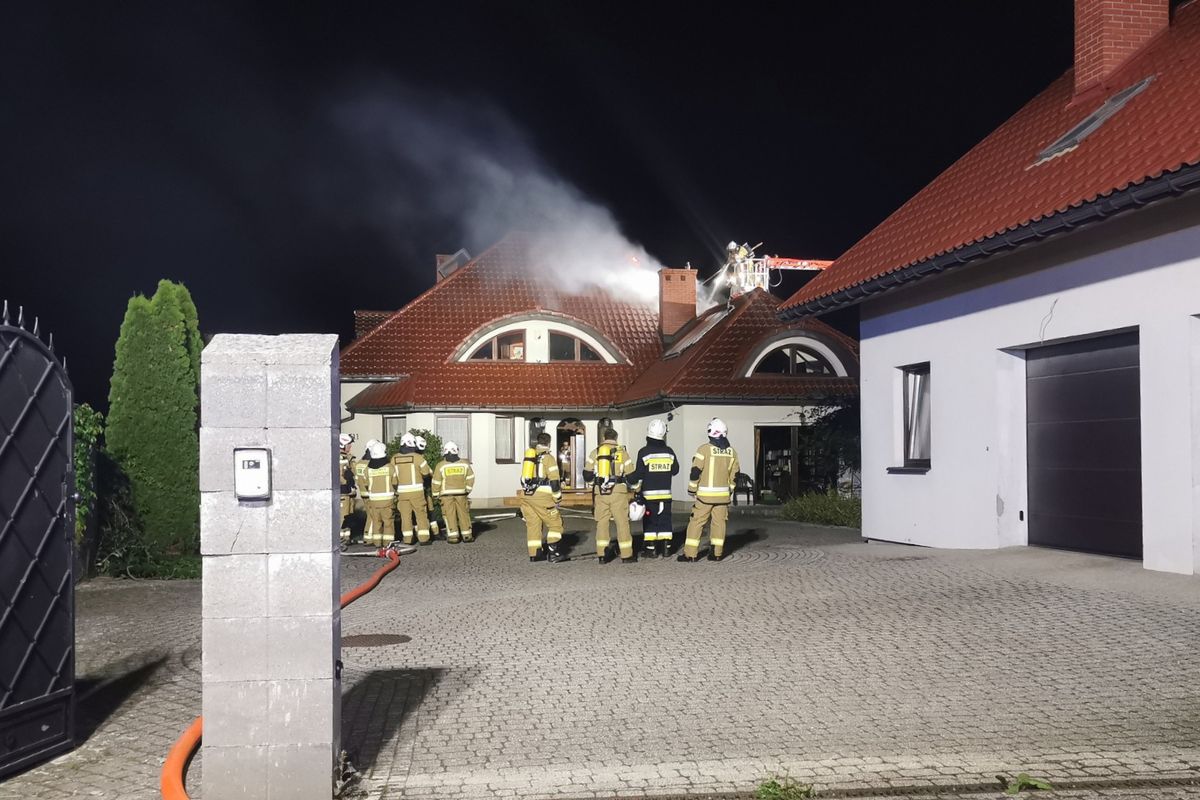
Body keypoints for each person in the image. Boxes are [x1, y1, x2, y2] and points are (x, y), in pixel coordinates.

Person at [680, 418, 739, 562]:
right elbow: (735, 474)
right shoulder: (732, 452)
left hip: (704, 497)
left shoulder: (704, 449)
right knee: (719, 524)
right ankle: (717, 554)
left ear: (710, 432)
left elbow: (695, 471)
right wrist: (730, 490)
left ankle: (690, 554)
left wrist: (692, 489)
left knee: (696, 523)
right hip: (723, 497)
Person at [584, 428, 635, 563]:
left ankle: (602, 554)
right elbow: (631, 475)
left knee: (601, 523)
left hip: (600, 492)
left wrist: (593, 484)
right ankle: (626, 555)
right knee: (622, 523)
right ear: (616, 439)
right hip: (618, 491)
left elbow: (587, 474)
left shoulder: (595, 452)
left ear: (603, 437)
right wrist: (636, 488)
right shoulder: (623, 453)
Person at [629, 419, 679, 559]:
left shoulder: (644, 452)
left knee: (650, 521)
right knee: (665, 520)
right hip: (666, 496)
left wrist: (629, 480)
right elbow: (675, 470)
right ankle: (666, 548)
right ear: (663, 434)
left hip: (649, 496)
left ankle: (650, 549)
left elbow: (639, 474)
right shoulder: (669, 452)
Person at [519, 432, 567, 563]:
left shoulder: (530, 457)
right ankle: (553, 553)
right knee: (556, 524)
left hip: (527, 496)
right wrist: (557, 498)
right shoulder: (548, 458)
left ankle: (534, 554)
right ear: (549, 443)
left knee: (533, 525)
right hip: (543, 497)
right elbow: (555, 481)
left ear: (537, 442)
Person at [392, 432, 433, 545]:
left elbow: (393, 478)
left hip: (402, 494)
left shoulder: (394, 459)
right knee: (421, 515)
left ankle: (408, 539)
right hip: (417, 493)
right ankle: (424, 539)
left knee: (405, 517)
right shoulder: (418, 457)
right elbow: (426, 473)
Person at [432, 441, 475, 543]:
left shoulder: (440, 465)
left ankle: (453, 537)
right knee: (463, 514)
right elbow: (471, 478)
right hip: (461, 494)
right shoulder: (465, 464)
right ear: (457, 451)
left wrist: (435, 494)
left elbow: (436, 481)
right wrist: (467, 490)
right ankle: (467, 535)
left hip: (446, 495)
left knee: (449, 515)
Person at [362, 440, 396, 547]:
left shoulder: (367, 469)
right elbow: (395, 482)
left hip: (373, 501)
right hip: (387, 501)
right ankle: (388, 543)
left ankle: (377, 543)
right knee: (388, 523)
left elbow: (366, 483)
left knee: (376, 523)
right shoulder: (390, 467)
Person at [414, 435, 440, 539]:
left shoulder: (417, 457)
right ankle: (430, 533)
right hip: (420, 490)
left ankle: (433, 532)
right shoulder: (418, 458)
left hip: (422, 489)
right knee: (424, 512)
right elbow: (429, 472)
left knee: (428, 511)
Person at [354, 439, 378, 544]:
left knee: (370, 515)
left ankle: (368, 536)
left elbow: (356, 479)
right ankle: (369, 538)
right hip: (371, 493)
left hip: (363, 493)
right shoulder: (371, 464)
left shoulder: (359, 463)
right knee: (373, 516)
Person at [338, 433, 357, 544]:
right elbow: (341, 476)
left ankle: (346, 538)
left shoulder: (347, 458)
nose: (350, 447)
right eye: (349, 445)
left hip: (348, 492)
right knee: (342, 516)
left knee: (348, 515)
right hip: (343, 492)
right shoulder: (340, 458)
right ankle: (340, 539)